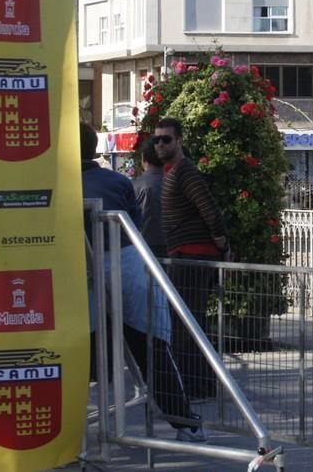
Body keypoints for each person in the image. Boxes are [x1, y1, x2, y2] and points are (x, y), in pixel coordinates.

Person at [80, 122, 206, 442]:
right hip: (128, 261)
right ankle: (185, 422)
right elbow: (134, 224)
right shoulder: (118, 181)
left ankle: (66, 430)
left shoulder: (59, 185)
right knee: (151, 344)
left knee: (76, 352)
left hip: (81, 270)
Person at [154, 117, 228, 398]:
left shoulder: (185, 171)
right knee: (189, 321)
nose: (160, 144)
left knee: (188, 322)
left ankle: (197, 385)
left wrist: (221, 240)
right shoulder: (173, 171)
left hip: (194, 255)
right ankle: (199, 384)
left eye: (166, 139)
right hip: (185, 254)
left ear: (179, 141)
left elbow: (208, 208)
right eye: (157, 139)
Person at [133, 138, 167, 257]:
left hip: (143, 248)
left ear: (143, 158)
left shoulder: (135, 185)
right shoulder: (175, 181)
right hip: (172, 247)